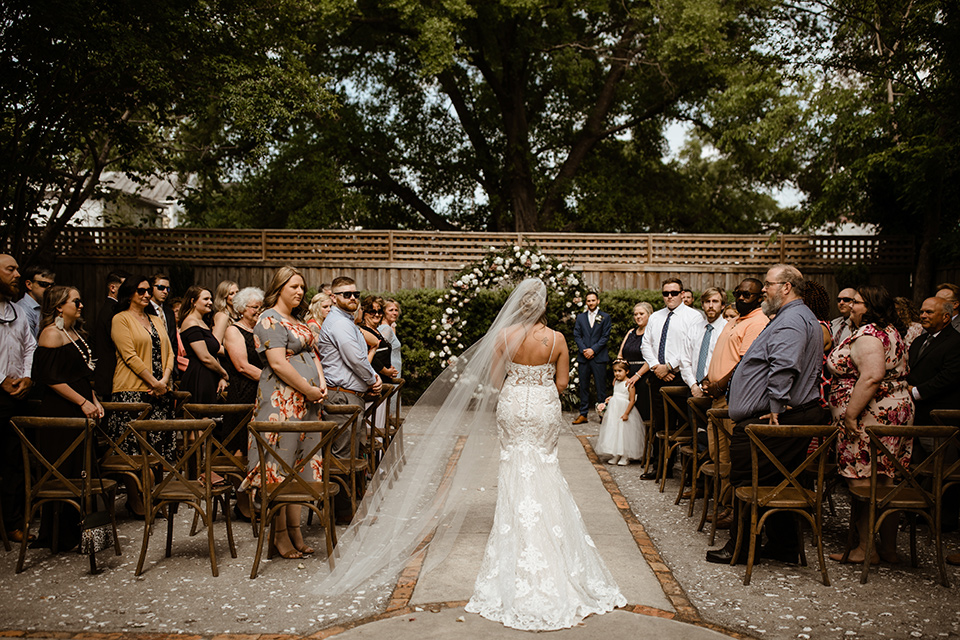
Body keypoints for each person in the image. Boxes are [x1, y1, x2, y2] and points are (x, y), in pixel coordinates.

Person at [315, 279, 626, 630]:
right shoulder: (556, 339)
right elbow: (560, 383)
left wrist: (516, 381)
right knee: (545, 463)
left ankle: (515, 529)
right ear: (544, 306)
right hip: (543, 406)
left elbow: (495, 382)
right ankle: (551, 534)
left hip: (513, 404)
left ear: (518, 305)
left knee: (513, 463)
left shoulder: (504, 336)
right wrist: (538, 386)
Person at [706, 265, 826, 565]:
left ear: (786, 287)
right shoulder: (793, 316)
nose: (763, 291)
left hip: (775, 417)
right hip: (783, 413)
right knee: (778, 481)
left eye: (769, 285)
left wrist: (774, 407)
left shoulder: (792, 321)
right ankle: (782, 547)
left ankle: (742, 547)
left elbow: (784, 365)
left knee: (748, 479)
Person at [239, 267, 327, 559]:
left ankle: (296, 530)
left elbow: (311, 354)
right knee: (280, 466)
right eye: (294, 287)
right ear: (279, 288)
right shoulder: (269, 319)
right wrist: (308, 388)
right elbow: (277, 363)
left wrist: (320, 385)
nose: (300, 292)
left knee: (300, 465)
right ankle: (278, 535)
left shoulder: (296, 319)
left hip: (307, 402)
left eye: (302, 287)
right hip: (283, 402)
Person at [827, 285, 914, 564]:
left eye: (858, 303)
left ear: (871, 307)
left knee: (863, 481)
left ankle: (866, 549)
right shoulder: (890, 331)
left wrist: (851, 414)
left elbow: (871, 377)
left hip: (870, 415)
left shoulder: (869, 335)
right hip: (893, 409)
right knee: (887, 479)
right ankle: (887, 548)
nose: (851, 306)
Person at [31, 284, 104, 550]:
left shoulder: (74, 332)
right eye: (76, 301)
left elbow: (82, 376)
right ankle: (60, 536)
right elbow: (50, 378)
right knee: (65, 471)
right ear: (59, 306)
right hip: (62, 413)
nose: (81, 305)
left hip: (82, 408)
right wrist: (82, 401)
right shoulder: (51, 334)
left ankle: (83, 532)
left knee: (82, 469)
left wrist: (94, 400)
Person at [700, 278, 768, 527]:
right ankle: (723, 504)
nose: (740, 298)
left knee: (730, 456)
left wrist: (721, 384)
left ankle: (732, 509)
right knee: (718, 455)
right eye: (738, 294)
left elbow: (744, 364)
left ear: (759, 297)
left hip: (731, 398)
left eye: (747, 295)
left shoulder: (758, 322)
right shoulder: (734, 321)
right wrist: (709, 378)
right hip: (717, 397)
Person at [108, 275, 176, 516]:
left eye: (148, 291)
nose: (147, 295)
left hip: (159, 391)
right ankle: (135, 501)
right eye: (141, 291)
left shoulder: (156, 319)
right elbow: (129, 356)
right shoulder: (120, 319)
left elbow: (169, 352)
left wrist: (164, 381)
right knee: (133, 450)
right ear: (129, 294)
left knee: (156, 449)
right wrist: (153, 382)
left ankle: (154, 498)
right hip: (132, 391)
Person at [639, 278, 702, 480]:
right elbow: (645, 344)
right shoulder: (656, 317)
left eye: (673, 293)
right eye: (666, 293)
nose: (669, 297)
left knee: (685, 423)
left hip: (680, 376)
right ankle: (660, 467)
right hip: (658, 376)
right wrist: (657, 367)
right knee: (660, 423)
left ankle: (688, 471)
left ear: (682, 294)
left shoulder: (694, 317)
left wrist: (670, 366)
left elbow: (691, 347)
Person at [0, 254, 36, 543]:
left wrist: (26, 376)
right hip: (0, 388)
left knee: (13, 462)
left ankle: (13, 523)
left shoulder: (18, 311)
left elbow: (29, 347)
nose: (16, 274)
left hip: (15, 395)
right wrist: (1, 380)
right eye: (10, 269)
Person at [178, 286, 229, 404]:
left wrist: (220, 377)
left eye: (211, 299)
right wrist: (223, 372)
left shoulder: (203, 322)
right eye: (206, 299)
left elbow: (212, 353)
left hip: (209, 375)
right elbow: (205, 357)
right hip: (199, 376)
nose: (210, 302)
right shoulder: (190, 322)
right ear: (193, 301)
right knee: (201, 418)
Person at [595, 360, 645, 466]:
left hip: (624, 410)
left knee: (624, 432)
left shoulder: (630, 384)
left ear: (627, 371)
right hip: (615, 411)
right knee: (614, 430)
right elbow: (617, 394)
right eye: (615, 371)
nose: (617, 373)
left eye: (620, 371)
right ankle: (616, 454)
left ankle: (625, 455)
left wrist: (626, 413)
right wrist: (611, 398)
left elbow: (632, 400)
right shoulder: (616, 382)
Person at [572, 291, 611, 424]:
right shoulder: (581, 317)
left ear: (598, 301)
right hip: (584, 357)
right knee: (583, 386)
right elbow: (577, 335)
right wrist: (584, 350)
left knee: (600, 387)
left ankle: (602, 414)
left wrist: (593, 350)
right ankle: (583, 414)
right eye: (588, 301)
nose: (591, 303)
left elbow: (605, 336)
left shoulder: (605, 317)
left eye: (593, 300)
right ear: (586, 302)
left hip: (598, 357)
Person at [92, 270, 128, 400]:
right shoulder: (112, 312)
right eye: (124, 288)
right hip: (111, 377)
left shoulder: (111, 310)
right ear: (112, 288)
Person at [617, 302, 652, 421]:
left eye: (641, 313)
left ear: (650, 315)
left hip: (643, 377)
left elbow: (652, 359)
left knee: (641, 409)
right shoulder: (631, 332)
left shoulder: (652, 334)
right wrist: (618, 372)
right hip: (626, 376)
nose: (638, 317)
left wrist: (637, 376)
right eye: (635, 314)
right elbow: (620, 355)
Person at [14, 265, 54, 338]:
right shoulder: (23, 310)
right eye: (44, 284)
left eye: (51, 285)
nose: (49, 289)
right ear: (29, 284)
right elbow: (29, 345)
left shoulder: (46, 305)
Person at [379, 298, 403, 415]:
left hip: (394, 371)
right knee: (389, 410)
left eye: (396, 310)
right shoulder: (386, 329)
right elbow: (380, 349)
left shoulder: (390, 328)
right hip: (390, 373)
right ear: (383, 312)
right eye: (391, 310)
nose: (394, 313)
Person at [145, 273, 178, 354]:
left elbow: (173, 341)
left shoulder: (169, 312)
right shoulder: (145, 310)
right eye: (161, 288)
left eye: (168, 289)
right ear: (151, 288)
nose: (165, 292)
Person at [211, 280, 239, 344]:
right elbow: (216, 344)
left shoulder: (238, 314)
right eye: (231, 294)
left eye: (237, 292)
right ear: (223, 296)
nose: (236, 296)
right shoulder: (222, 315)